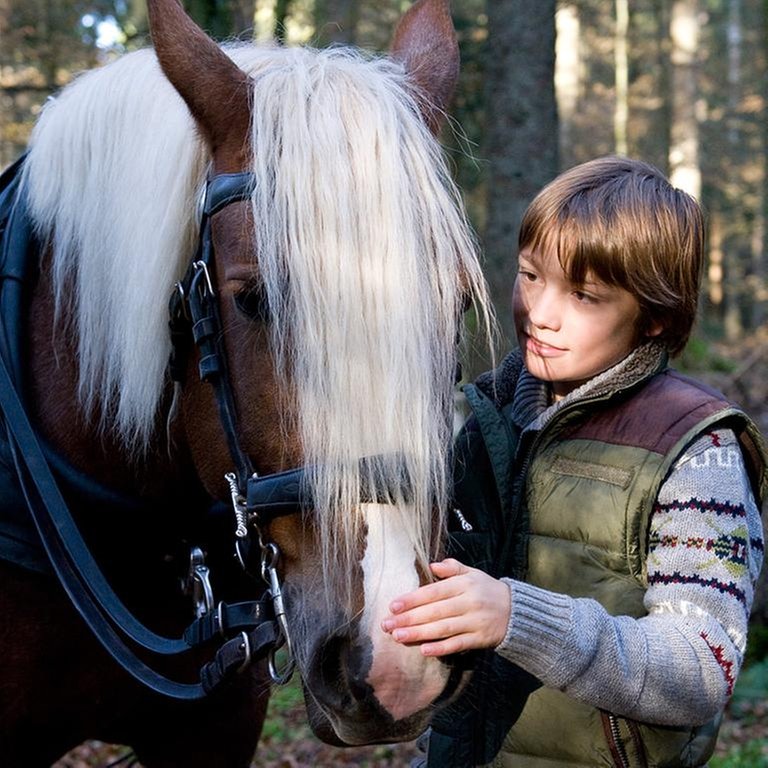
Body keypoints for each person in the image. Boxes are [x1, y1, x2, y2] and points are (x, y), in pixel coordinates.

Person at [381, 156, 767, 767]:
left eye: (584, 296)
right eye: (531, 275)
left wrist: (516, 616)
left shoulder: (696, 449)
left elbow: (700, 666)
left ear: (655, 317)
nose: (541, 312)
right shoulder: (485, 420)